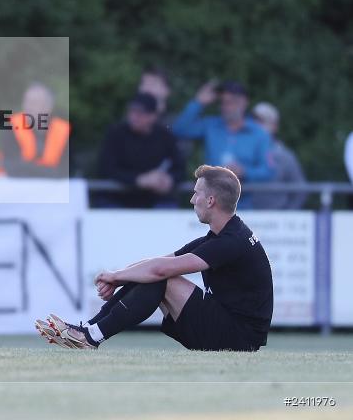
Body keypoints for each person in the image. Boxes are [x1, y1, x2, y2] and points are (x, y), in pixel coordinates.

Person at [37, 165, 273, 352]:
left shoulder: (230, 241)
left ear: (210, 200)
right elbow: (159, 262)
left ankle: (91, 336)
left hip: (238, 339)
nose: (192, 200)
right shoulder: (224, 235)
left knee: (162, 278)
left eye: (196, 193)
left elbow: (160, 271)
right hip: (228, 328)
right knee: (155, 273)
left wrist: (116, 276)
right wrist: (120, 278)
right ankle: (88, 329)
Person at [172, 80, 273, 207]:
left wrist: (245, 172)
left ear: (244, 102)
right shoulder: (210, 125)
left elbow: (268, 171)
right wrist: (198, 102)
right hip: (211, 203)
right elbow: (179, 129)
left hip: (245, 204)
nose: (226, 107)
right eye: (223, 102)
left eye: (231, 102)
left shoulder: (259, 134)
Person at [96, 93, 184, 208]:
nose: (133, 117)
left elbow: (180, 168)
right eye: (131, 111)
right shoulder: (115, 134)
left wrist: (169, 179)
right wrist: (138, 179)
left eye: (139, 113)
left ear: (153, 116)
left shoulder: (165, 136)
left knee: (168, 208)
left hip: (155, 198)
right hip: (117, 197)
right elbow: (106, 169)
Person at [0, 83, 70, 178]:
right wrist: (46, 170)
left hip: (54, 185)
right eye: (27, 102)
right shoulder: (12, 126)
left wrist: (28, 167)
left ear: (48, 107)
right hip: (16, 184)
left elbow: (65, 170)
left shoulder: (64, 131)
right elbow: (10, 165)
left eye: (34, 103)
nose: (28, 107)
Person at [249, 102, 307, 209]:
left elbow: (300, 191)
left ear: (275, 126)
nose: (256, 125)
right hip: (243, 216)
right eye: (253, 120)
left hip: (275, 217)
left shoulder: (285, 157)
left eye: (261, 121)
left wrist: (286, 215)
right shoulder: (242, 152)